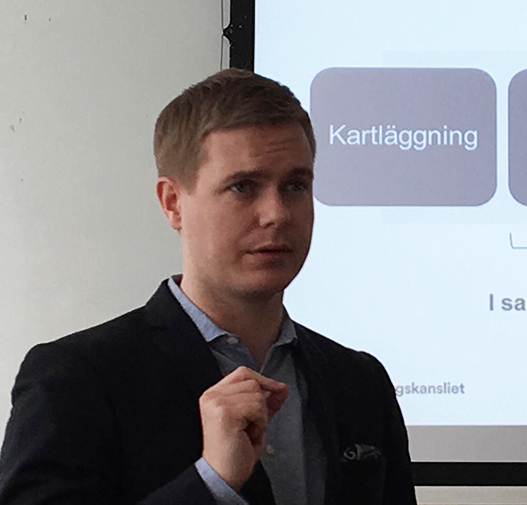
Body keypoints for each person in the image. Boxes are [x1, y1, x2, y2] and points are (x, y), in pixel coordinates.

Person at [0, 69, 417, 505]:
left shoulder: (359, 383)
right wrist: (212, 481)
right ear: (173, 203)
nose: (277, 213)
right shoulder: (76, 378)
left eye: (295, 185)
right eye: (243, 187)